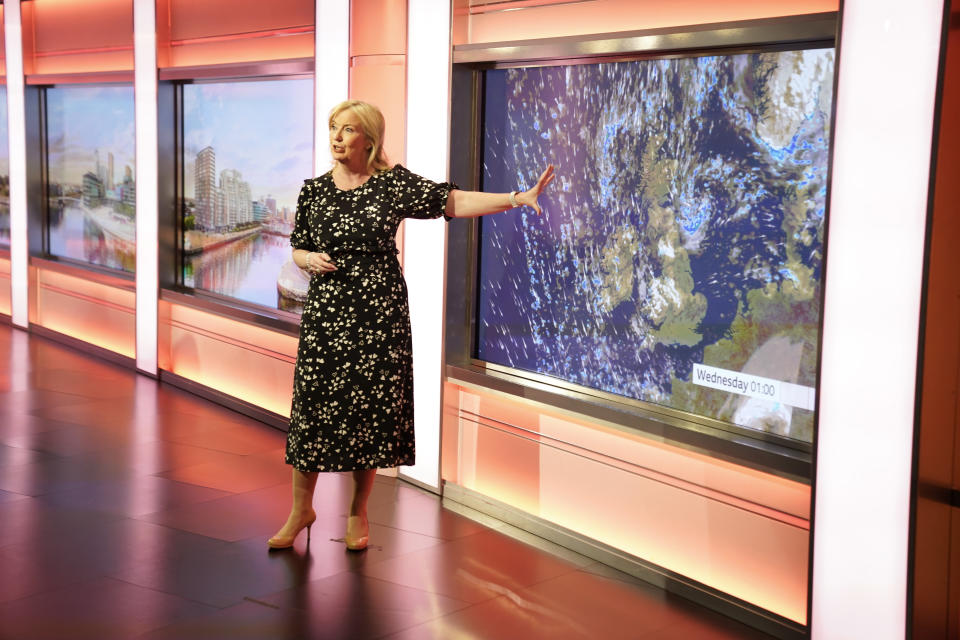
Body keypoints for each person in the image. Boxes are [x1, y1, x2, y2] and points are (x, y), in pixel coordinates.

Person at [268, 99, 554, 550]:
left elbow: (453, 201)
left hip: (379, 312)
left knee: (371, 410)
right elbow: (298, 246)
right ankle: (301, 509)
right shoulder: (314, 190)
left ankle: (358, 513)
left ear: (369, 139)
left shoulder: (391, 186)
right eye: (333, 129)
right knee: (313, 409)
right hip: (327, 314)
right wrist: (308, 259)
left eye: (346, 130)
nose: (337, 137)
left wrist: (517, 198)